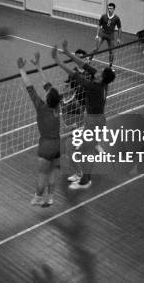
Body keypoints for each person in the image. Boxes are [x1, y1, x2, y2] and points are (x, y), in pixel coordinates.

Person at [52, 40, 115, 189]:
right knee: (78, 148)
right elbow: (84, 65)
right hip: (96, 120)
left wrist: (57, 61)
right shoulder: (102, 81)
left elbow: (74, 74)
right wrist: (68, 52)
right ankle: (83, 174)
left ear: (101, 78)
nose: (97, 71)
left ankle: (85, 179)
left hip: (94, 122)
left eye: (99, 72)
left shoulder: (94, 87)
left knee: (76, 148)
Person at [18, 53, 61, 206]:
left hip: (46, 146)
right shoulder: (57, 106)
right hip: (57, 144)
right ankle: (50, 197)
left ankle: (37, 197)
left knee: (42, 174)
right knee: (52, 172)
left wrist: (21, 69)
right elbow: (47, 84)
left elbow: (30, 87)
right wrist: (38, 65)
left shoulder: (41, 108)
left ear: (47, 98)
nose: (46, 90)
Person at [61, 49, 94, 126]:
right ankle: (79, 126)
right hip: (78, 98)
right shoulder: (73, 71)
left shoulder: (89, 70)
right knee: (79, 115)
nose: (78, 60)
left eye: (80, 57)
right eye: (76, 58)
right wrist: (67, 86)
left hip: (89, 97)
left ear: (85, 58)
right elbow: (70, 85)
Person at [93, 2, 122, 68]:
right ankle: (89, 60)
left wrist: (119, 38)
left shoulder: (116, 18)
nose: (109, 10)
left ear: (114, 9)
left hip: (110, 36)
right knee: (96, 48)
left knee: (111, 52)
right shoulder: (103, 16)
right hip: (102, 34)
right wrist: (97, 35)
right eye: (108, 8)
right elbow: (99, 25)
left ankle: (110, 66)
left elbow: (119, 28)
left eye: (111, 8)